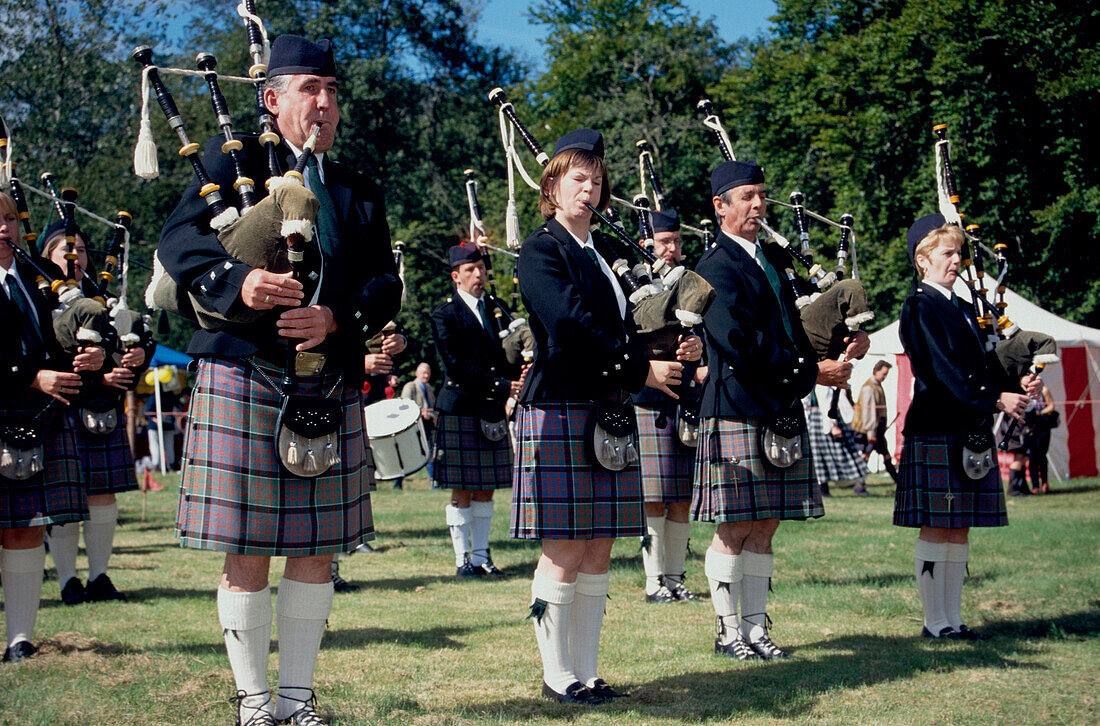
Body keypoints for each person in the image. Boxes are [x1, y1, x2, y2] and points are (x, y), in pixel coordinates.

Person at [158, 35, 402, 725]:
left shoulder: (355, 189)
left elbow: (385, 284)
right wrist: (241, 281)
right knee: (247, 545)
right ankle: (253, 702)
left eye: (331, 90)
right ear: (272, 100)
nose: (323, 104)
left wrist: (337, 317)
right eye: (309, 90)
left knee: (318, 546)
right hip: (246, 369)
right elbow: (179, 245)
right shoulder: (225, 163)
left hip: (324, 375)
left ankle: (297, 700)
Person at [511, 129, 696, 704]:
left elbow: (623, 328)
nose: (589, 190)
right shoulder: (544, 249)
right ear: (553, 189)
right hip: (562, 405)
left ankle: (587, 672)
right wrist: (642, 370)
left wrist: (672, 343)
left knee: (597, 548)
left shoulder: (600, 255)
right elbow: (567, 325)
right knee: (565, 546)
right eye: (577, 180)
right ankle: (556, 675)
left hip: (603, 408)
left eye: (596, 181)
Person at [692, 160, 866, 661]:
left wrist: (842, 336)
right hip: (737, 406)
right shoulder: (714, 268)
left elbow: (795, 329)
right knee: (736, 525)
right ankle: (727, 633)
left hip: (778, 405)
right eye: (744, 196)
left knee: (766, 525)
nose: (756, 204)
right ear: (719, 206)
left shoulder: (770, 260)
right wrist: (812, 373)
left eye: (760, 195)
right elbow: (740, 344)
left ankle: (755, 628)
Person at [894, 214, 1038, 640]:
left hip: (966, 426)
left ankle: (953, 619)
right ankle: (933, 622)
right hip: (937, 426)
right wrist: (996, 399)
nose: (956, 260)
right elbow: (944, 371)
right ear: (922, 260)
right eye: (946, 252)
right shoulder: (920, 307)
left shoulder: (961, 306)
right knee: (937, 524)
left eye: (958, 252)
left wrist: (1014, 381)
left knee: (959, 526)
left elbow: (982, 366)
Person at [1, 192, 99, 662]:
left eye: (7, 218)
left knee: (24, 528)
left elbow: (53, 347)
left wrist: (89, 359)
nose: (3, 228)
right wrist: (29, 376)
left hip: (35, 419)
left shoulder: (37, 282)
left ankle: (20, 638)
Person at [39, 222, 154, 604]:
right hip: (62, 408)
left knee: (103, 496)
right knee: (67, 499)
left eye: (82, 251)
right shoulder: (39, 297)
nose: (77, 258)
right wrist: (98, 373)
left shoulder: (103, 300)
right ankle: (69, 580)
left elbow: (127, 345)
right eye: (66, 251)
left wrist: (135, 360)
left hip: (102, 408)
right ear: (46, 258)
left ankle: (99, 577)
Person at [430, 244, 522, 577]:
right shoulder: (445, 314)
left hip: (492, 409)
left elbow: (512, 351)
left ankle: (482, 556)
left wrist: (518, 374)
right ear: (456, 276)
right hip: (462, 407)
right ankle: (461, 559)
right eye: (470, 270)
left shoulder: (497, 308)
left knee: (486, 487)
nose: (478, 275)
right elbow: (456, 366)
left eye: (480, 268)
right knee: (462, 487)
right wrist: (501, 387)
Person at [632, 208, 701, 602]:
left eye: (676, 241)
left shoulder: (688, 282)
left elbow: (704, 329)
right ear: (649, 244)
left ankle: (676, 578)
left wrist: (699, 346)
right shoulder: (635, 284)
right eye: (664, 242)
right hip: (648, 399)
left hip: (685, 397)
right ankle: (654, 581)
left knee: (682, 494)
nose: (672, 248)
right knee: (654, 494)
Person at [803, 385, 871, 497]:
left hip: (817, 422)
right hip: (823, 423)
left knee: (820, 457)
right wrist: (832, 426)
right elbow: (826, 405)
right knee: (826, 456)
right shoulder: (822, 385)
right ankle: (823, 489)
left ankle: (824, 488)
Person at [854, 360, 898, 482]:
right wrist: (871, 432)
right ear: (876, 371)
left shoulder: (877, 385)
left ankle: (898, 482)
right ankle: (859, 485)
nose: (885, 377)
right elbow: (869, 412)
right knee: (866, 455)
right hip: (871, 429)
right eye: (883, 373)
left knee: (885, 455)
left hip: (878, 429)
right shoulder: (869, 388)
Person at [1024, 381, 1056, 494]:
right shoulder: (1025, 391)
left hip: (1042, 425)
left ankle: (1045, 483)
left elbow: (1051, 405)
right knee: (1032, 456)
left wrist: (1040, 412)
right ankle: (1035, 485)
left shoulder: (1044, 390)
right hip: (1031, 426)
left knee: (1042, 455)